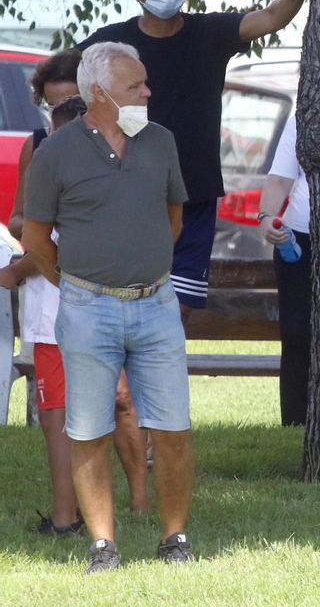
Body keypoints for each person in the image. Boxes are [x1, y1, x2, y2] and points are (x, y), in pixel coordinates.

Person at [21, 42, 196, 572]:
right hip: (87, 309)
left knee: (173, 429)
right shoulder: (55, 152)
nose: (147, 92)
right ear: (99, 93)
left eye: (144, 83)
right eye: (135, 86)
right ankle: (104, 545)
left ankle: (174, 539)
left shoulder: (160, 141)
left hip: (156, 305)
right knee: (88, 429)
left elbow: (173, 220)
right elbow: (35, 238)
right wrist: (79, 284)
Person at [76, 0, 307, 315]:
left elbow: (270, 17)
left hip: (194, 192)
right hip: (132, 193)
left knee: (178, 308)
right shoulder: (112, 42)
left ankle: (159, 370)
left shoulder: (209, 31)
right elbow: (65, 83)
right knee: (126, 304)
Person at [4, 51, 152, 532]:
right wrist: (42, 237)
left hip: (112, 304)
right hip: (53, 314)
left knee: (122, 400)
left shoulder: (129, 146)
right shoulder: (43, 149)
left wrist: (25, 262)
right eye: (53, 108)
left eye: (72, 103)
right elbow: (24, 221)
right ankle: (69, 516)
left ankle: (139, 501)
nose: (63, 117)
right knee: (59, 414)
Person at [256, 110, 313, 427]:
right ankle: (295, 422)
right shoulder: (303, 114)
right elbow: (279, 178)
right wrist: (265, 219)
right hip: (300, 238)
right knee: (296, 335)